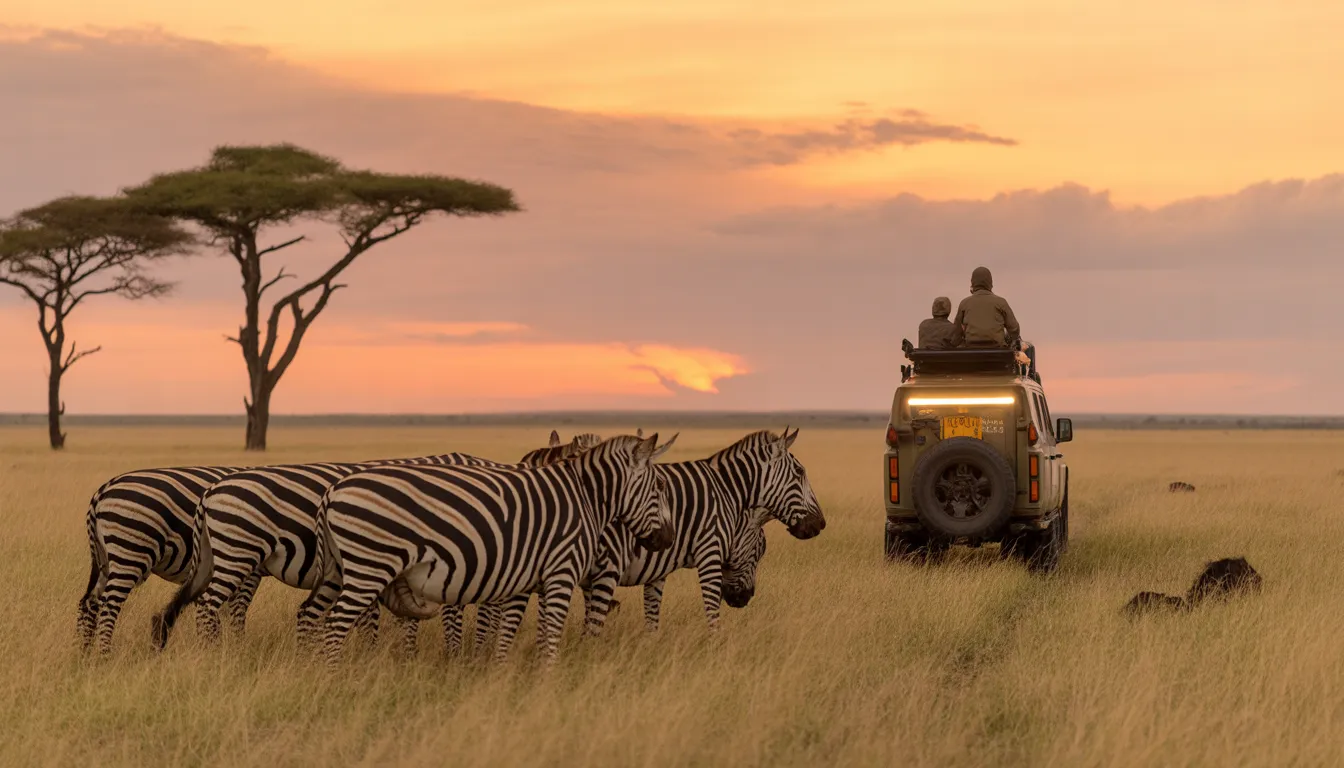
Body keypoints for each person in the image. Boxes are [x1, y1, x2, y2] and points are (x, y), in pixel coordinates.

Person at [950, 266, 1020, 348]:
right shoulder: (1001, 302)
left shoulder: (964, 303)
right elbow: (1014, 329)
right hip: (997, 351)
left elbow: (955, 335)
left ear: (972, 283)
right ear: (990, 283)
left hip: (971, 350)